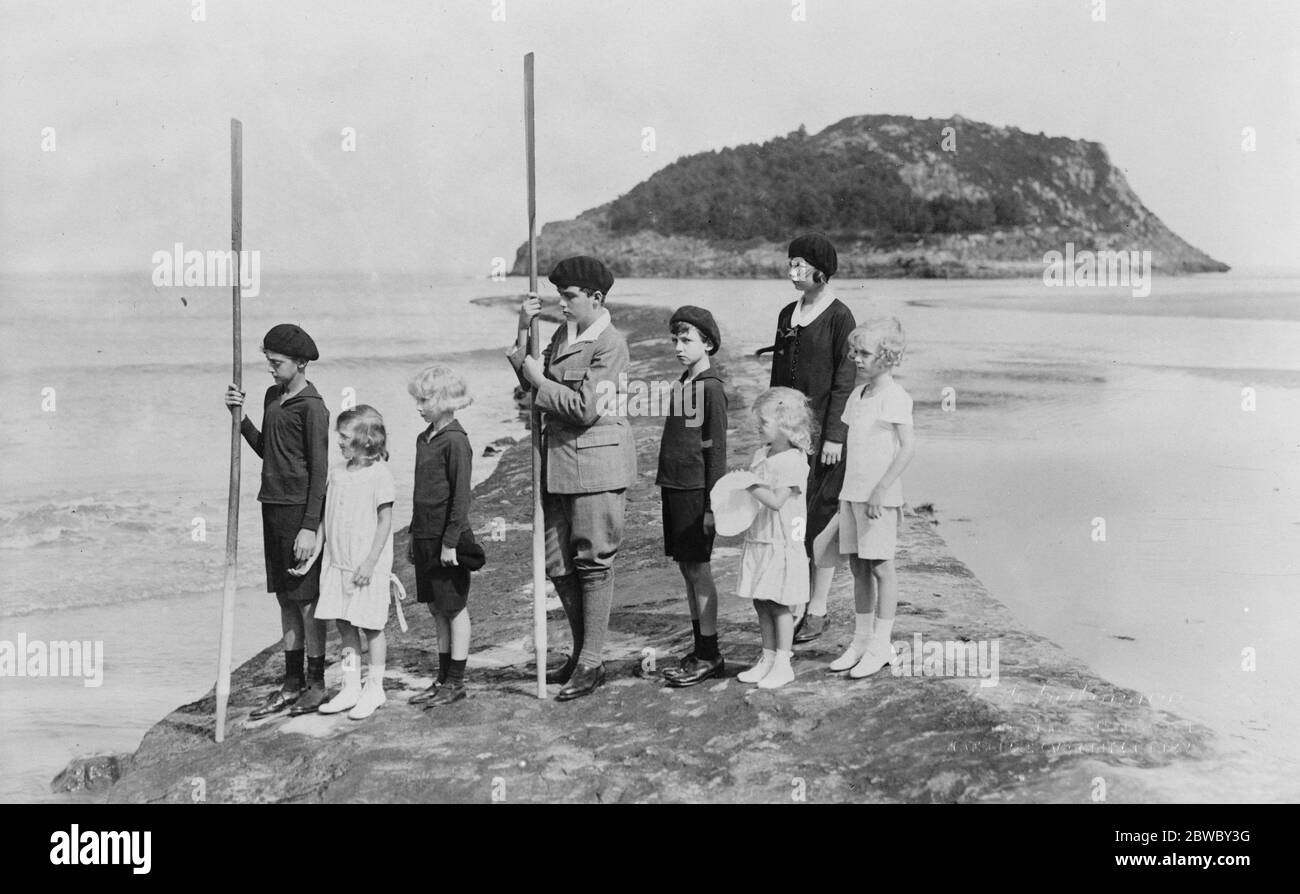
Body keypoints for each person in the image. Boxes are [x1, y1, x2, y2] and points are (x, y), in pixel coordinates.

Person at [508, 256, 638, 701]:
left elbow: (585, 408)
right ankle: (584, 652)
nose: (560, 303)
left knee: (593, 561)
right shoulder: (565, 333)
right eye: (558, 295)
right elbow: (528, 382)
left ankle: (592, 661)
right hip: (558, 463)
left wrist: (540, 379)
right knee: (558, 564)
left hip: (597, 466)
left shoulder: (610, 344)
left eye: (569, 296)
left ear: (596, 298)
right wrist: (524, 329)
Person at [223, 323, 331, 717]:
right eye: (267, 360)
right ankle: (291, 682)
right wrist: (241, 418)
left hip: (298, 512)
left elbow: (320, 472)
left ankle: (316, 683)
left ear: (301, 363)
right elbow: (268, 451)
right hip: (271, 506)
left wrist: (309, 526)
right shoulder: (273, 396)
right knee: (285, 597)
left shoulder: (313, 408)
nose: (270, 368)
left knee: (306, 600)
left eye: (277, 362)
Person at [762, 234, 857, 644]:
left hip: (826, 440)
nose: (792, 272)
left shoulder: (840, 318)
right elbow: (777, 379)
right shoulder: (787, 314)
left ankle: (817, 608)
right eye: (789, 264)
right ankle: (795, 604)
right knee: (789, 519)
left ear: (821, 270)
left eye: (799, 265)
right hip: (791, 436)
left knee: (819, 522)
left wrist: (835, 435)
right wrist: (771, 426)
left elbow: (845, 382)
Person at [829, 319, 915, 678]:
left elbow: (908, 448)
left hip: (880, 498)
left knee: (881, 566)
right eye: (855, 352)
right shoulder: (857, 395)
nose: (856, 359)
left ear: (888, 357)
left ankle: (881, 644)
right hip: (852, 494)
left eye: (864, 353)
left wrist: (882, 489)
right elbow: (856, 447)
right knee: (857, 566)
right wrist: (843, 495)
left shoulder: (895, 396)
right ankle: (861, 641)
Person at [656, 307, 729, 687]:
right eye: (675, 341)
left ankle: (711, 653)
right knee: (686, 568)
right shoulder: (685, 381)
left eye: (687, 340)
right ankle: (700, 645)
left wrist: (713, 505)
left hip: (697, 491)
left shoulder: (711, 388)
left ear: (708, 343)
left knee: (699, 569)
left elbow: (715, 450)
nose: (679, 348)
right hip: (675, 486)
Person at [311, 406, 395, 719]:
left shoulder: (379, 475)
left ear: (366, 440)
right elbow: (326, 517)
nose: (339, 443)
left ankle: (375, 687)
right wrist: (317, 553)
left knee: (372, 626)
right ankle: (350, 686)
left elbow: (385, 522)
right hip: (338, 563)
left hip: (365, 565)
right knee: (345, 625)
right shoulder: (337, 472)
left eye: (345, 437)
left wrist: (371, 562)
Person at [405, 366, 477, 708]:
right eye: (417, 399)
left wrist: (450, 541)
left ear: (447, 401)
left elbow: (460, 497)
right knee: (436, 608)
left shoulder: (456, 442)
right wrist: (413, 536)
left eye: (425, 399)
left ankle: (457, 680)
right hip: (425, 536)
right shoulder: (424, 439)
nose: (418, 406)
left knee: (455, 607)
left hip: (448, 539)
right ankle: (443, 676)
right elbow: (421, 493)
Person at [735, 387, 814, 689]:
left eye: (764, 422)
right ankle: (767, 656)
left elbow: (777, 501)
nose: (758, 427)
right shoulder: (761, 454)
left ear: (785, 426)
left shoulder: (794, 462)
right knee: (761, 599)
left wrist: (748, 483)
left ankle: (783, 661)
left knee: (780, 604)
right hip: (760, 537)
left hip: (781, 540)